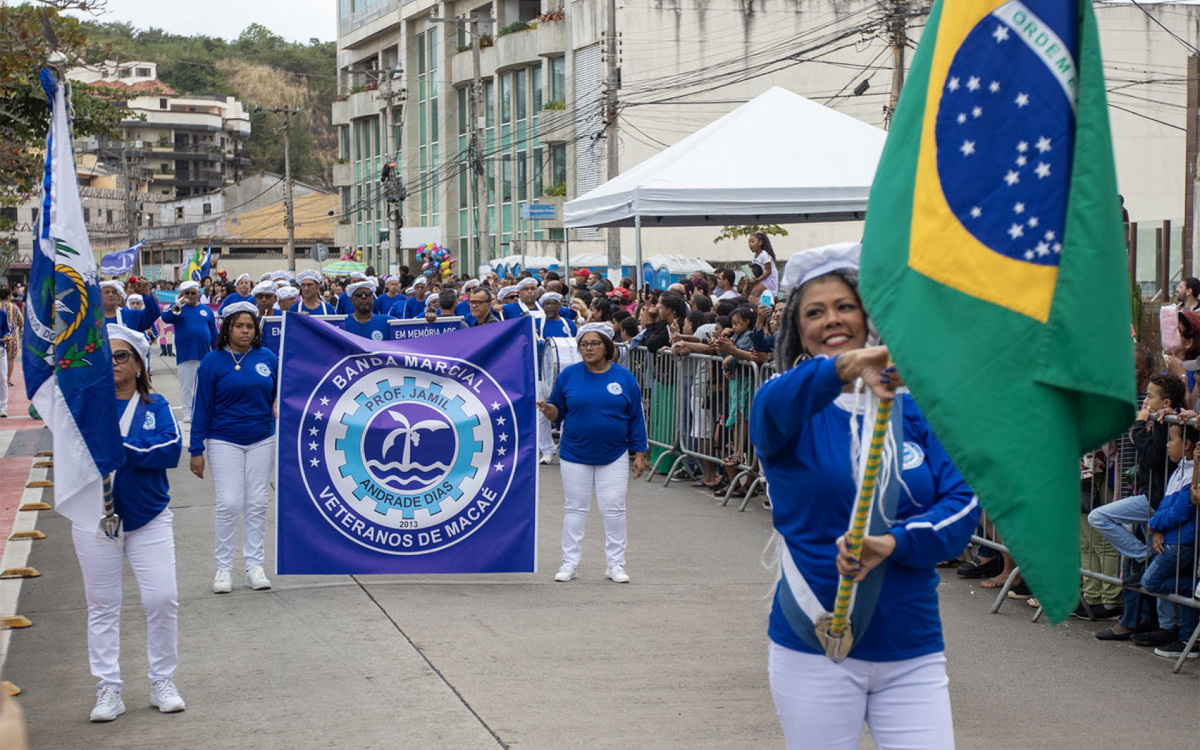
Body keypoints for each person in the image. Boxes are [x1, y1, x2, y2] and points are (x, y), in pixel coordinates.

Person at [749, 243, 978, 750]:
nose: (832, 319)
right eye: (815, 311)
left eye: (844, 306)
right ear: (797, 330)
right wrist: (846, 367)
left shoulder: (915, 408)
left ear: (865, 315)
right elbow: (772, 407)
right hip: (816, 644)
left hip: (912, 646)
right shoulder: (785, 407)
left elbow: (963, 505)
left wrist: (894, 544)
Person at [76, 325, 185, 722]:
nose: (113, 363)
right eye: (106, 356)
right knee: (102, 607)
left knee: (162, 599)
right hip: (94, 520)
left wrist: (118, 448)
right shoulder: (88, 404)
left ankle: (162, 680)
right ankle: (108, 689)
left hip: (148, 518)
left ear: (139, 364)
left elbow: (169, 451)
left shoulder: (156, 406)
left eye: (122, 356)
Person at [538, 323, 648, 584]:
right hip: (575, 452)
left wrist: (641, 452)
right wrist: (547, 409)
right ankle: (569, 563)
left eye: (594, 343)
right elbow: (557, 411)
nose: (588, 348)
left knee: (614, 509)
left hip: (614, 454)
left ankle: (616, 564)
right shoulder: (569, 376)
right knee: (575, 508)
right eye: (584, 344)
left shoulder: (624, 377)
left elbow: (636, 417)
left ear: (607, 347)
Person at [189, 302, 278, 594]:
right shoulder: (212, 362)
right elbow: (201, 407)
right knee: (229, 503)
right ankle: (223, 569)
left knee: (257, 503)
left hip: (262, 438)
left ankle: (254, 566)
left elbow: (280, 394)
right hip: (223, 439)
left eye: (250, 326)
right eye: (238, 326)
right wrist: (195, 449)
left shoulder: (268, 357)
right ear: (226, 329)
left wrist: (277, 404)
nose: (244, 331)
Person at [160, 281, 218, 425]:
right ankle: (187, 411)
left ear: (198, 293)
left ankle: (203, 411)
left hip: (204, 353)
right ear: (182, 294)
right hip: (186, 354)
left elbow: (213, 332)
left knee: (204, 385)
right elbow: (165, 317)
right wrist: (178, 302)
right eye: (187, 293)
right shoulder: (178, 310)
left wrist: (216, 351)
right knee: (186, 386)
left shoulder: (206, 310)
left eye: (193, 293)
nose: (191, 296)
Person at [535, 293, 578, 464]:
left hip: (566, 374)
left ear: (559, 305)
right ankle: (546, 450)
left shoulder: (569, 324)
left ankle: (566, 447)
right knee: (542, 413)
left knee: (568, 410)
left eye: (554, 304)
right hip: (542, 374)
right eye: (547, 304)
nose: (550, 307)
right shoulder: (537, 323)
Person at [746, 232, 779, 302]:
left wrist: (758, 279)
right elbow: (754, 268)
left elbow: (768, 271)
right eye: (749, 242)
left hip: (768, 278)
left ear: (760, 243)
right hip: (761, 277)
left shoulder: (764, 255)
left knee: (753, 295)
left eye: (752, 242)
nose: (750, 244)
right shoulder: (754, 256)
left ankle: (759, 309)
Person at [0, 285, 23, 389]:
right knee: (11, 359)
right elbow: (21, 321)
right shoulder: (14, 307)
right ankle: (7, 380)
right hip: (12, 337)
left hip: (1, 337)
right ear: (9, 296)